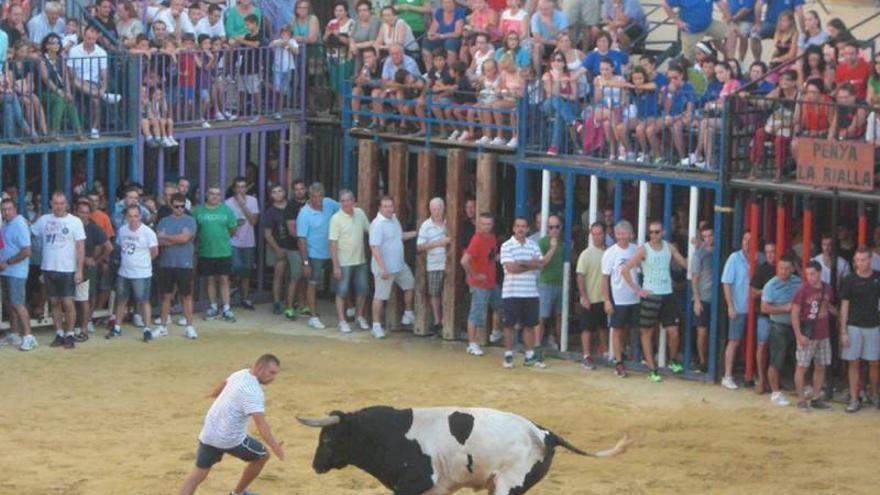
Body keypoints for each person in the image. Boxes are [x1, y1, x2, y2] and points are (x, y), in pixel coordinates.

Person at [178, 354, 285, 495]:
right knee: (262, 456)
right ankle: (238, 493)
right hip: (229, 439)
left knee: (197, 475)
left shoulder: (240, 373)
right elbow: (261, 425)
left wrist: (215, 396)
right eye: (271, 373)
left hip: (208, 433)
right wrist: (276, 447)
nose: (273, 378)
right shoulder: (254, 392)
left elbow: (219, 389)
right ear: (260, 368)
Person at [622, 219, 689, 382]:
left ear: (663, 232)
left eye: (657, 232)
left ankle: (672, 360)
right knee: (647, 332)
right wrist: (638, 290)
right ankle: (652, 368)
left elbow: (685, 263)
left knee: (673, 332)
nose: (654, 235)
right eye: (651, 232)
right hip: (651, 295)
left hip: (667, 294)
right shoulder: (643, 249)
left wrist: (697, 249)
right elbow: (625, 270)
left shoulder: (669, 247)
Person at [500, 216, 558, 369]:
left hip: (531, 292)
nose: (520, 229)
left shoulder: (533, 245)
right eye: (518, 226)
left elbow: (541, 264)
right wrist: (531, 264)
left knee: (530, 325)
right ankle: (508, 354)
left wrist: (522, 263)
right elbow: (511, 268)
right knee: (509, 325)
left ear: (527, 228)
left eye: (523, 226)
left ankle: (529, 355)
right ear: (513, 228)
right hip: (511, 292)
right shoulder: (506, 246)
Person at [31, 191, 85, 349]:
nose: (59, 206)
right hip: (48, 267)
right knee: (54, 302)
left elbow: (80, 247)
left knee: (68, 302)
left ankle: (69, 334)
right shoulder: (44, 220)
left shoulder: (75, 221)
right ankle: (59, 333)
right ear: (51, 204)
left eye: (62, 203)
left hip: (67, 268)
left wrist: (79, 270)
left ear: (67, 204)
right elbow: (32, 231)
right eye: (56, 203)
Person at [838, 247, 880, 413]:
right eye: (858, 260)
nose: (860, 263)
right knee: (853, 363)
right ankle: (855, 398)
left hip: (873, 325)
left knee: (874, 363)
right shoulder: (849, 280)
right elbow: (844, 305)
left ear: (870, 260)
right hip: (854, 326)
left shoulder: (878, 277)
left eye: (863, 260)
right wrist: (843, 331)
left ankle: (874, 394)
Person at [108, 205, 159, 341]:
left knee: (143, 301)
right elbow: (120, 246)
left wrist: (142, 263)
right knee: (121, 300)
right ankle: (117, 327)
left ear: (140, 216)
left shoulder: (148, 232)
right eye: (130, 216)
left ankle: (147, 329)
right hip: (124, 272)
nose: (133, 219)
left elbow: (154, 252)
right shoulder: (123, 230)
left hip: (141, 273)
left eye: (136, 216)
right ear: (126, 217)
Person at [369, 196, 417, 339]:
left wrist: (417, 233)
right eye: (385, 206)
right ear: (380, 208)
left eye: (390, 206)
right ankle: (376, 326)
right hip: (385, 268)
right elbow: (374, 247)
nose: (389, 209)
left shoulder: (394, 219)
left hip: (399, 265)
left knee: (410, 284)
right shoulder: (377, 224)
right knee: (380, 297)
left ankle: (408, 314)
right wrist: (383, 268)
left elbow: (399, 236)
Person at [791, 260, 835, 410]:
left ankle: (816, 397)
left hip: (823, 333)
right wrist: (798, 335)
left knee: (820, 366)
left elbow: (828, 306)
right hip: (807, 333)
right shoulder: (802, 290)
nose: (810, 277)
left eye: (812, 274)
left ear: (819, 273)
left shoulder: (827, 289)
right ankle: (801, 399)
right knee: (802, 366)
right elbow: (794, 314)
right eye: (808, 274)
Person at [297, 182, 341, 329]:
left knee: (341, 278)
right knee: (313, 284)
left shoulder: (329, 203)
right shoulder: (304, 213)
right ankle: (313, 316)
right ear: (310, 197)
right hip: (314, 254)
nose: (319, 200)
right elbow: (301, 239)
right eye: (315, 197)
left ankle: (348, 311)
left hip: (332, 251)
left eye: (321, 196)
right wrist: (305, 262)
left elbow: (344, 209)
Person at [760, 254, 802, 406]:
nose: (784, 271)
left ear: (791, 269)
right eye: (781, 268)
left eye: (787, 268)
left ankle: (800, 389)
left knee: (799, 358)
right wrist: (785, 308)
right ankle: (775, 392)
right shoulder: (771, 285)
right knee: (776, 360)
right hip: (778, 326)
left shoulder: (798, 282)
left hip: (796, 326)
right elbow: (764, 308)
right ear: (777, 268)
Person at [67, 25, 122, 140]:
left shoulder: (101, 52)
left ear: (96, 38)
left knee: (95, 100)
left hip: (94, 83)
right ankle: (103, 96)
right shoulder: (74, 51)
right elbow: (71, 74)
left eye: (93, 38)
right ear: (84, 35)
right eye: (88, 37)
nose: (90, 40)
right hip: (76, 81)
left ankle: (94, 129)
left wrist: (104, 87)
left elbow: (104, 74)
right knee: (77, 81)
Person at [328, 189, 371, 333]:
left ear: (354, 201)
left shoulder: (360, 213)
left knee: (363, 289)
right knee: (342, 291)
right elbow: (333, 243)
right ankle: (342, 321)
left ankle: (359, 317)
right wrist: (335, 266)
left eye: (348, 200)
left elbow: (369, 230)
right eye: (343, 201)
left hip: (360, 259)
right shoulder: (336, 218)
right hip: (343, 261)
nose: (346, 203)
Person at [193, 186, 238, 323]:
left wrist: (222, 240)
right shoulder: (198, 211)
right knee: (210, 280)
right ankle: (213, 306)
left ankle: (226, 307)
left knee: (224, 280)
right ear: (206, 195)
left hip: (223, 251)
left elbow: (233, 229)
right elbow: (195, 230)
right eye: (211, 193)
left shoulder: (227, 210)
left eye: (217, 194)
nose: (214, 196)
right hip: (206, 251)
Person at [156, 192, 198, 340]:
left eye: (182, 206)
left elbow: (185, 238)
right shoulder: (163, 221)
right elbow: (159, 241)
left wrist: (167, 237)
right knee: (166, 296)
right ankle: (162, 326)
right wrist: (178, 239)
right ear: (171, 206)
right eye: (176, 206)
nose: (180, 209)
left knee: (186, 295)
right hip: (167, 263)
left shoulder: (190, 220)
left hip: (184, 263)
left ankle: (189, 326)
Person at [461, 212, 500, 357]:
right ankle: (472, 344)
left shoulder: (492, 238)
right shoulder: (476, 239)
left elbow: (490, 256)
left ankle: (495, 332)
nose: (486, 227)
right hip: (479, 283)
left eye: (489, 224)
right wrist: (474, 275)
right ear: (478, 224)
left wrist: (498, 258)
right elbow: (464, 260)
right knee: (476, 313)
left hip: (491, 281)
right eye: (483, 224)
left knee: (499, 305)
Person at [74, 198, 111, 340]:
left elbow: (109, 247)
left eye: (86, 213)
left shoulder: (94, 227)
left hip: (87, 266)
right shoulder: (71, 224)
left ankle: (86, 322)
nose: (83, 215)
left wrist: (96, 260)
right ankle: (78, 324)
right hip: (70, 265)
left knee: (88, 296)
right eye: (81, 212)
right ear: (75, 212)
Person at [0, 197, 34, 351]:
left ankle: (28, 336)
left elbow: (26, 251)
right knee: (11, 304)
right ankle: (14, 334)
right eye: (4, 209)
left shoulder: (20, 224)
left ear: (15, 209)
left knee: (18, 304)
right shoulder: (7, 224)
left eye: (9, 209)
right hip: (6, 271)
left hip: (16, 272)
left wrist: (7, 262)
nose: (6, 212)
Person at [720, 232, 752, 390]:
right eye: (745, 239)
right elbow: (726, 282)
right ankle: (727, 376)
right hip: (738, 308)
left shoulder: (758, 257)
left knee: (754, 343)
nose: (747, 243)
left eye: (750, 240)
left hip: (754, 309)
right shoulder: (734, 258)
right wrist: (730, 306)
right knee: (734, 341)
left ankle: (751, 374)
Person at [576, 221, 607, 369]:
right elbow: (580, 276)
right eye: (593, 234)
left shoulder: (609, 252)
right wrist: (584, 296)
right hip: (591, 297)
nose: (596, 237)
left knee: (603, 327)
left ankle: (605, 351)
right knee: (587, 328)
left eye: (599, 234)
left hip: (604, 298)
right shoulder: (585, 254)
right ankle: (586, 356)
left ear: (605, 234)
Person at [225, 176, 259, 310]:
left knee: (247, 271)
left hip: (249, 241)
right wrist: (235, 223)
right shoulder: (228, 203)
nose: (240, 190)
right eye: (238, 187)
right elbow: (226, 223)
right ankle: (233, 285)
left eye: (243, 187)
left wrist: (243, 205)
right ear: (234, 189)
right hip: (233, 241)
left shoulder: (252, 200)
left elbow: (253, 221)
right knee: (236, 266)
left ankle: (244, 298)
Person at [417, 198, 451, 334]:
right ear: (430, 210)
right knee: (435, 292)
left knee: (448, 292)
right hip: (434, 264)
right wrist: (439, 243)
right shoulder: (426, 225)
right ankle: (438, 320)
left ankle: (447, 319)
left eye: (439, 208)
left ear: (444, 209)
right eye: (434, 209)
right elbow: (419, 247)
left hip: (449, 263)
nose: (436, 212)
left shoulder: (449, 222)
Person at [263, 185, 297, 316]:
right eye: (274, 192)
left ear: (285, 192)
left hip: (293, 246)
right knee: (279, 275)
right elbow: (267, 233)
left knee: (293, 275)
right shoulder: (270, 212)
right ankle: (277, 302)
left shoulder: (292, 207)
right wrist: (277, 249)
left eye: (280, 191)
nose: (277, 194)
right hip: (278, 246)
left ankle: (291, 301)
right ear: (271, 195)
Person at [662, 0, 727, 64]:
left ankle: (727, 59)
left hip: (709, 25)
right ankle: (689, 72)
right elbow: (665, 4)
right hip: (691, 31)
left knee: (730, 33)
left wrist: (728, 17)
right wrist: (676, 20)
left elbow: (720, 2)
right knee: (689, 60)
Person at [536, 215, 564, 350]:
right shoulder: (542, 243)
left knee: (560, 315)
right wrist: (552, 248)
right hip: (546, 283)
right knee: (542, 316)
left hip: (560, 284)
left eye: (556, 227)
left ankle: (560, 344)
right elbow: (542, 264)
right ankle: (536, 346)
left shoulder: (564, 243)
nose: (554, 230)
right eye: (551, 227)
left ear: (561, 228)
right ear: (547, 228)